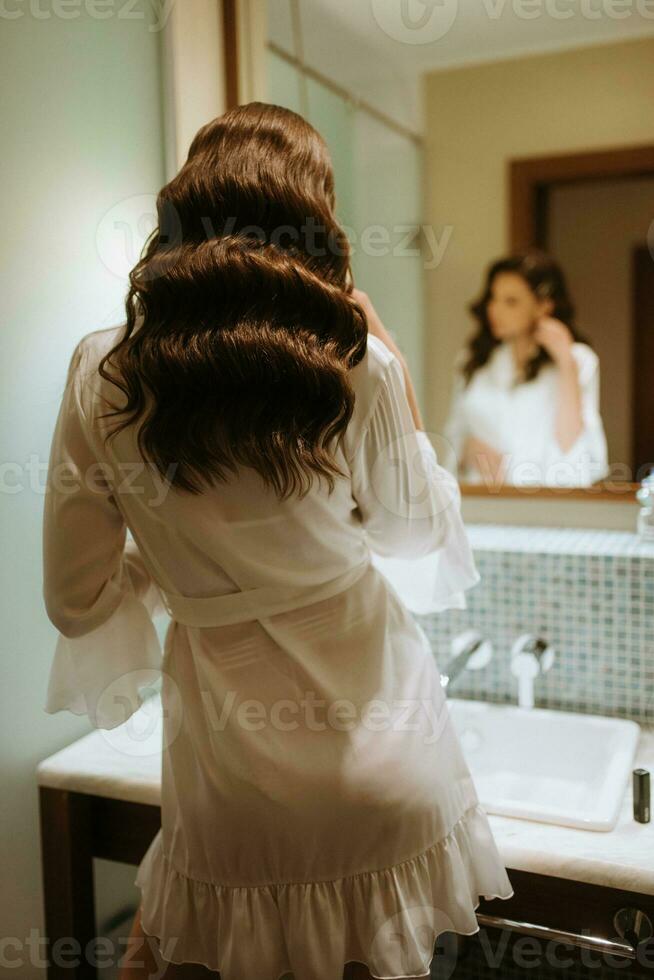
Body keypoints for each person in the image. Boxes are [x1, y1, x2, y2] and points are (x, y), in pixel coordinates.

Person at [41, 101, 513, 980]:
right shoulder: (354, 364)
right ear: (315, 221)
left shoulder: (101, 371)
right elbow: (412, 536)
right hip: (382, 758)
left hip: (229, 781)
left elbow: (74, 599)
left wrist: (172, 566)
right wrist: (393, 362)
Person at [443, 250, 609, 488]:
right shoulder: (473, 361)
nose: (495, 310)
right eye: (493, 298)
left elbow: (573, 445)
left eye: (511, 301)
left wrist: (565, 362)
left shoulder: (578, 360)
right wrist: (467, 448)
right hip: (481, 499)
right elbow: (454, 432)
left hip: (547, 502)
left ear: (543, 306)